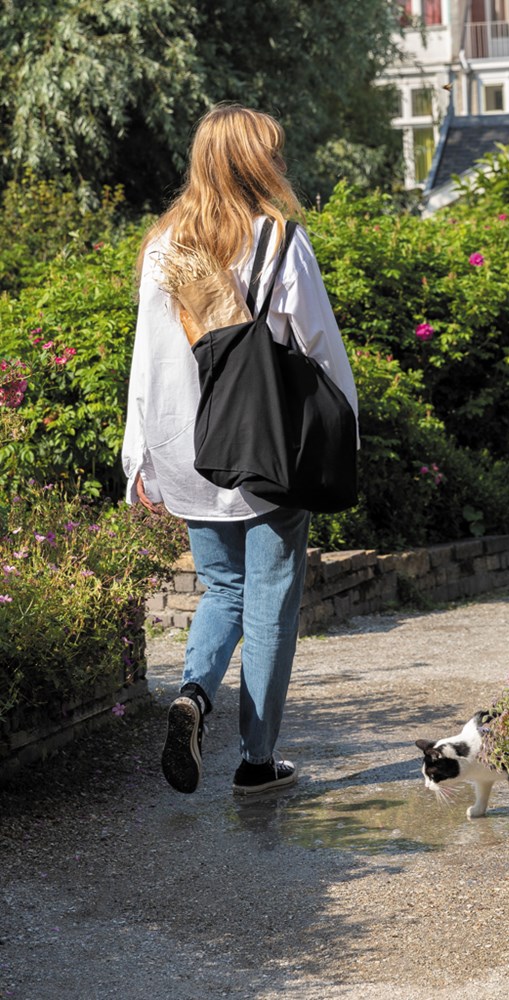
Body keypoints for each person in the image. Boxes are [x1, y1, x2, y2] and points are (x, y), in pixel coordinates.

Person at [122, 104, 358, 796]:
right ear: (256, 162)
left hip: (187, 449)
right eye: (273, 152)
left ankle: (193, 694)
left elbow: (146, 361)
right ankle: (257, 761)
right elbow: (320, 348)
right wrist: (342, 432)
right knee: (270, 603)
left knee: (222, 587)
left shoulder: (163, 245)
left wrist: (140, 457)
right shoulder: (278, 239)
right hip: (268, 448)